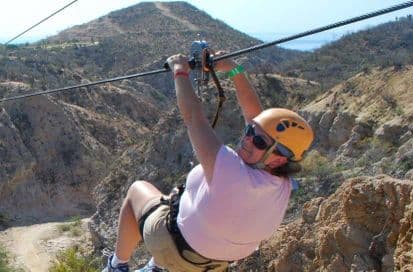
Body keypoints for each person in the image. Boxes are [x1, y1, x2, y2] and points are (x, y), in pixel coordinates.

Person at [101, 52, 315, 272]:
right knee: (179, 198)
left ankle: (117, 265)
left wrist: (180, 71)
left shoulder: (230, 170)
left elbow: (193, 117)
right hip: (212, 266)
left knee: (138, 190)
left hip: (172, 248)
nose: (248, 138)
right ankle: (157, 267)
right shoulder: (283, 184)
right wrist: (233, 69)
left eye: (259, 141)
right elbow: (254, 115)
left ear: (279, 157)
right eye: (250, 131)